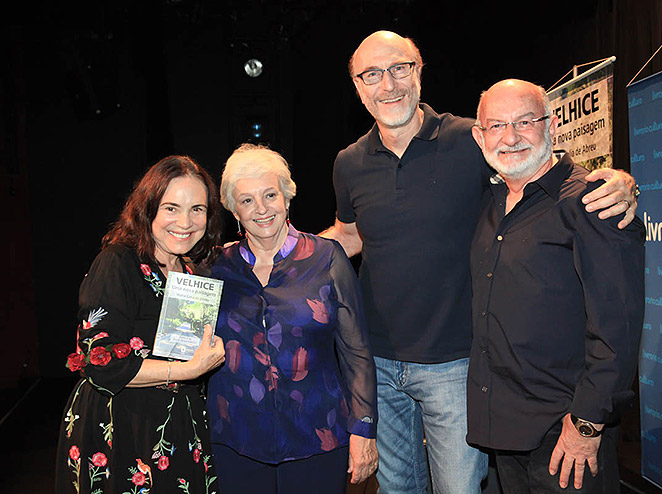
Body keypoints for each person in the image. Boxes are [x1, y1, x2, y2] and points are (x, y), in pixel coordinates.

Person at [320, 30, 639, 494]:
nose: (387, 84)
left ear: (419, 72)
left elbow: (537, 166)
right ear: (357, 86)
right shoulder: (348, 163)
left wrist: (617, 182)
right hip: (380, 362)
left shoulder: (470, 139)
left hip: (455, 364)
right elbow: (348, 235)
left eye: (399, 68)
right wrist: (279, 247)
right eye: (371, 74)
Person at [467, 79, 644, 493]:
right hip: (505, 430)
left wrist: (587, 423)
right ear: (480, 136)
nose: (510, 137)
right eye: (496, 125)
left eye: (525, 121)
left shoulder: (592, 202)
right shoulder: (486, 205)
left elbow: (617, 326)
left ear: (551, 126)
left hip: (566, 433)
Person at [206, 143, 378, 494]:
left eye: (270, 194)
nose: (261, 209)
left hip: (319, 435)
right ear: (233, 211)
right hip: (235, 439)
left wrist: (364, 429)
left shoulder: (327, 257)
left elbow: (356, 351)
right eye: (247, 200)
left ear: (287, 196)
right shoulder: (214, 267)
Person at [55, 155, 226, 493]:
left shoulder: (195, 272)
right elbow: (99, 362)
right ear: (148, 209)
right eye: (171, 208)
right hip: (121, 430)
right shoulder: (117, 263)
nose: (185, 221)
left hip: (177, 427)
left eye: (198, 209)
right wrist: (187, 371)